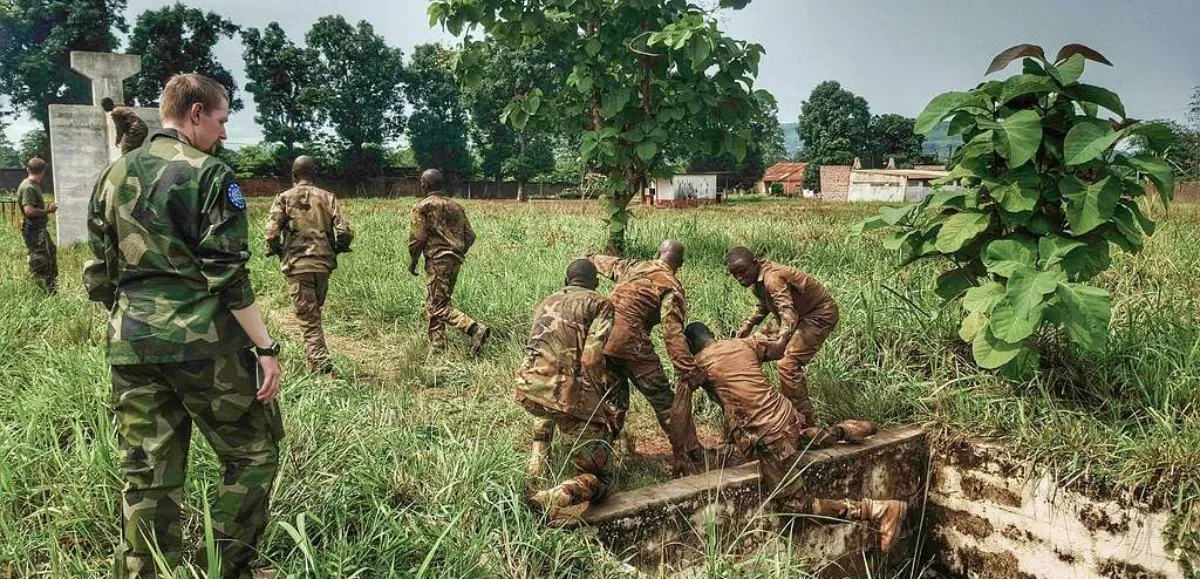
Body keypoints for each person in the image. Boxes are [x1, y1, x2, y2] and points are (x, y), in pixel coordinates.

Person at [83, 73, 283, 579]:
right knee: (252, 454)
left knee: (147, 472)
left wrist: (134, 318)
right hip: (204, 346)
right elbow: (229, 274)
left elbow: (100, 272)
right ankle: (221, 567)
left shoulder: (113, 175)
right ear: (194, 113)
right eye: (220, 119)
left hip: (131, 344)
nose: (224, 132)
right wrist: (265, 347)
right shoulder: (212, 175)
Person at [680, 322, 907, 553]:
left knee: (796, 504)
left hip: (769, 433)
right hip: (785, 415)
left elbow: (680, 412)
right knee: (795, 440)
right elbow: (778, 350)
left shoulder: (700, 364)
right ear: (712, 335)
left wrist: (682, 450)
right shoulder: (740, 344)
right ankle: (846, 430)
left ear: (689, 346)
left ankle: (878, 510)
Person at [587, 240, 712, 476]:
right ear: (680, 264)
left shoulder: (633, 266)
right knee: (665, 402)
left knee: (613, 402)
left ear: (657, 253)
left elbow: (594, 260)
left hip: (600, 339)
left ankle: (597, 458)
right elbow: (672, 332)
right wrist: (686, 368)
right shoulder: (671, 286)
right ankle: (688, 455)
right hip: (632, 343)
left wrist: (586, 261)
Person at [516, 259, 618, 524]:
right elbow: (591, 359)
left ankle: (536, 463)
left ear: (565, 281)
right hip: (564, 396)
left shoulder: (545, 301)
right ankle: (554, 496)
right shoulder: (600, 303)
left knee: (547, 402)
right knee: (603, 477)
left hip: (527, 388)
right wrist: (600, 406)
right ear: (595, 283)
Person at [726, 246, 839, 425]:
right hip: (793, 315)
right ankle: (756, 411)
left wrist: (782, 340)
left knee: (788, 363)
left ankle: (803, 423)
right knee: (747, 349)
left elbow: (787, 310)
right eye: (735, 275)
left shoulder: (773, 278)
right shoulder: (757, 280)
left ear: (755, 263)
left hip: (817, 314)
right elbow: (766, 304)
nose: (740, 278)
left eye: (742, 272)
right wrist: (747, 326)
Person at [265, 155, 354, 373]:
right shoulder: (328, 197)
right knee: (313, 312)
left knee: (308, 317)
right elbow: (345, 231)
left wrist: (275, 250)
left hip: (297, 265)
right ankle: (316, 360)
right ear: (313, 175)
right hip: (322, 265)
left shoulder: (284, 198)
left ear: (294, 175)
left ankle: (320, 364)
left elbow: (271, 233)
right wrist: (337, 249)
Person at [408, 168, 491, 356]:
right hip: (455, 260)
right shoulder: (456, 206)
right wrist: (457, 250)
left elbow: (418, 238)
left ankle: (474, 328)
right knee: (438, 300)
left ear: (425, 186)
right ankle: (437, 344)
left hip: (437, 260)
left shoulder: (422, 207)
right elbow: (470, 235)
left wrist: (413, 260)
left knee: (437, 305)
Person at [18, 157, 57, 293]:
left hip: (38, 229)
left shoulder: (32, 185)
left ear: (28, 169)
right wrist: (48, 210)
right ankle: (42, 291)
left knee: (50, 254)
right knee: (40, 261)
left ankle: (50, 288)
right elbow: (29, 211)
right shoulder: (29, 187)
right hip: (34, 230)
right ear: (43, 171)